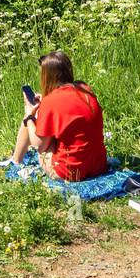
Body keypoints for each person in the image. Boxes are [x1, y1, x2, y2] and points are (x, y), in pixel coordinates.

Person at [10, 50, 107, 182]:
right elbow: (70, 106)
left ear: (47, 77)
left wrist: (29, 116)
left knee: (40, 138)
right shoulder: (85, 88)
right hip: (98, 166)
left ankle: (15, 161)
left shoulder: (51, 102)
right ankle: (15, 159)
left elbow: (39, 145)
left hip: (71, 173)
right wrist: (45, 102)